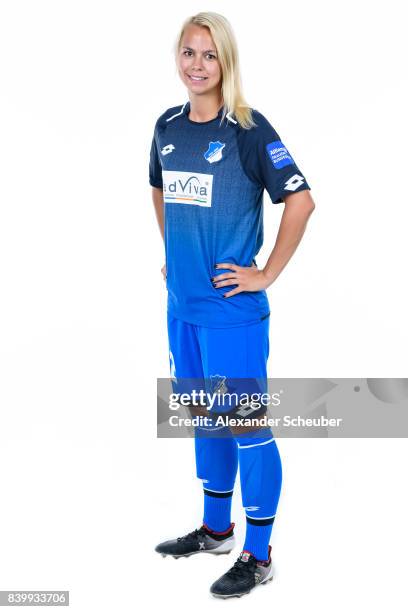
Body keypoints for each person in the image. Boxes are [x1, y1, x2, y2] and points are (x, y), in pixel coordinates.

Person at [149, 11, 315, 599]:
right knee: (204, 417)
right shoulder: (167, 126)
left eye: (209, 55)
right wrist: (173, 251)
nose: (197, 65)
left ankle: (259, 552)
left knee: (244, 424)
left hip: (230, 312)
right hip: (183, 308)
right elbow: (158, 186)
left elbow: (301, 203)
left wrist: (265, 273)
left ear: (226, 63)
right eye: (188, 53)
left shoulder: (247, 128)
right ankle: (217, 529)